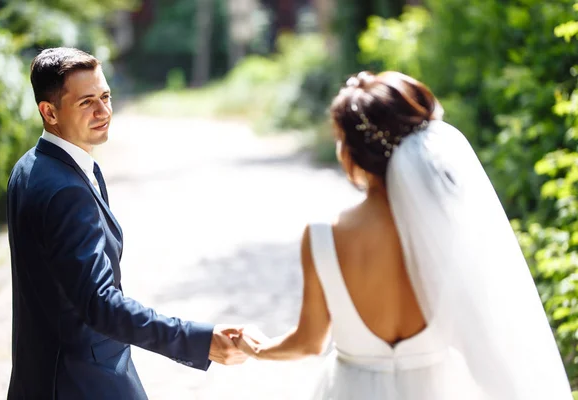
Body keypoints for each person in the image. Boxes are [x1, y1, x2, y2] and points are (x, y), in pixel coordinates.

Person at [233, 71, 574, 399]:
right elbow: (486, 335)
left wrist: (257, 346)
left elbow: (308, 343)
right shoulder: (450, 229)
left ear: (351, 152)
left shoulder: (323, 237)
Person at [6, 47, 247, 400]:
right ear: (50, 112)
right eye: (87, 102)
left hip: (41, 376)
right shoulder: (65, 189)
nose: (104, 111)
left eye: (105, 96)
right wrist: (198, 340)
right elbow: (100, 302)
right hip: (84, 382)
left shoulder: (30, 166)